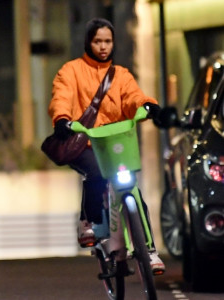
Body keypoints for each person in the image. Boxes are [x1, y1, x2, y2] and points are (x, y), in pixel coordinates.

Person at [47, 18, 165, 274]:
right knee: (97, 171)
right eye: (97, 41)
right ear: (88, 42)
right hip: (84, 141)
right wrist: (62, 119)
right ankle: (88, 221)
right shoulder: (70, 71)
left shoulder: (121, 75)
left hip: (115, 142)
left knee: (131, 187)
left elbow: (133, 96)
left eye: (107, 41)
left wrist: (147, 105)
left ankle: (149, 251)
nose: (103, 46)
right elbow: (62, 97)